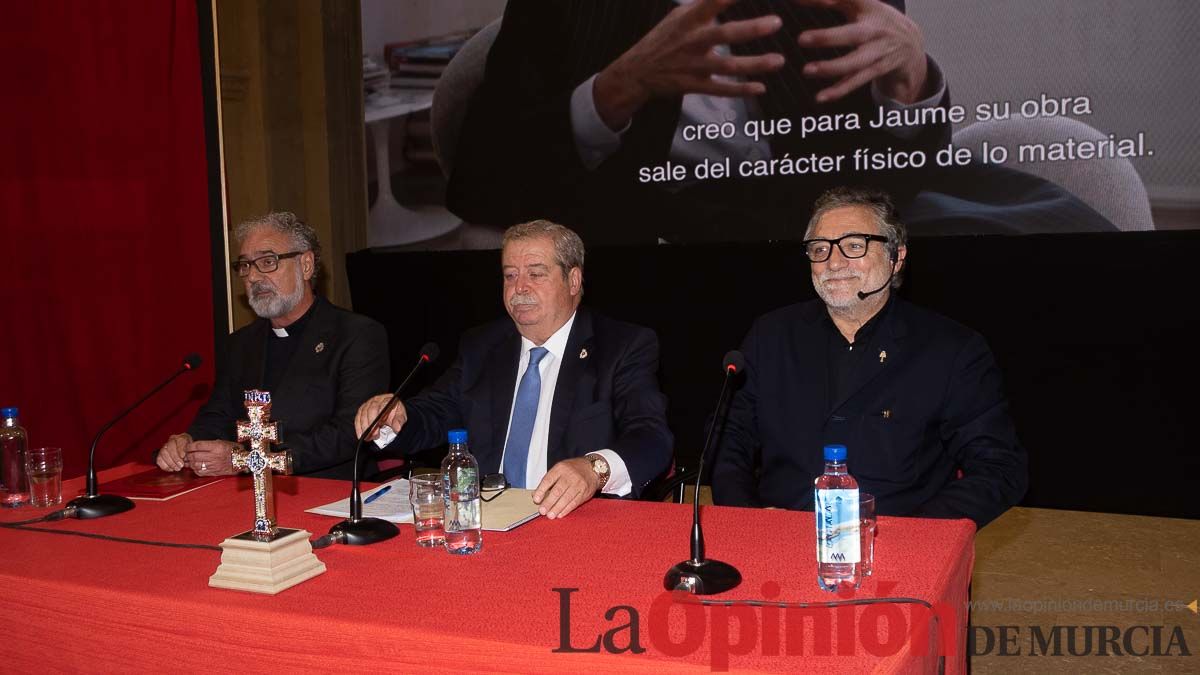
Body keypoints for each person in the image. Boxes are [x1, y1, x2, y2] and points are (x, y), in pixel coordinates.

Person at [447, 0, 1113, 244]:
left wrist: (909, 81)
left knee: (1049, 228)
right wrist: (619, 88)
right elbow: (479, 176)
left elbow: (884, 162)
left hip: (817, 210)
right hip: (648, 227)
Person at [711, 186, 1027, 528]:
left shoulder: (951, 349)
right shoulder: (771, 335)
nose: (833, 262)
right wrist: (746, 518)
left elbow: (1000, 469)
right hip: (779, 541)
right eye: (820, 249)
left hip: (901, 548)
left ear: (897, 257)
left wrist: (911, 534)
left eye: (854, 246)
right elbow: (728, 441)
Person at [356, 220, 673, 519]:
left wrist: (594, 468)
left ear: (573, 280)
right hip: (487, 520)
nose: (519, 288)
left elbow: (650, 437)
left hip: (578, 522)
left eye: (535, 274)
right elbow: (436, 412)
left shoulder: (622, 346)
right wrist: (392, 418)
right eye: (510, 275)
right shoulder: (483, 346)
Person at [156, 212, 389, 480]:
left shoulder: (357, 335)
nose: (253, 276)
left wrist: (248, 460)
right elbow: (218, 415)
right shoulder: (240, 344)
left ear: (306, 265)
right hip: (245, 496)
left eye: (267, 262)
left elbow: (349, 432)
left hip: (330, 492)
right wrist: (188, 441)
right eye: (245, 266)